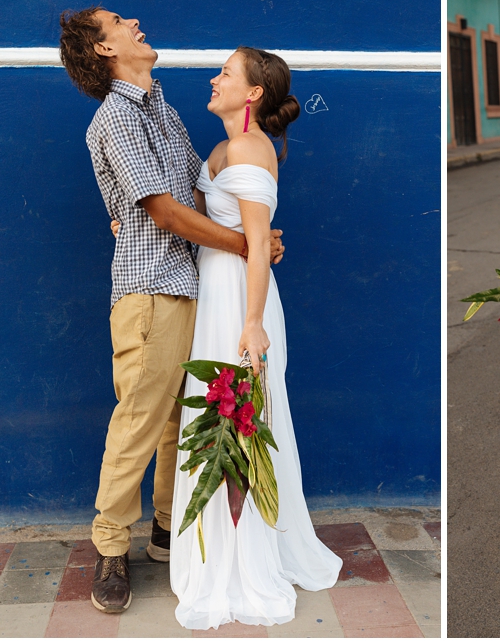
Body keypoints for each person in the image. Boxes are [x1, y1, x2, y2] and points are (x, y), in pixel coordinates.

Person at [58, 8, 286, 614]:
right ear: (105, 50)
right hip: (150, 288)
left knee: (173, 422)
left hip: (193, 286)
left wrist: (257, 232)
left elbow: (200, 194)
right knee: (139, 415)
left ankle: (164, 528)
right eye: (118, 22)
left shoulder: (159, 108)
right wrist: (244, 244)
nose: (134, 21)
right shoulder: (116, 118)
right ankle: (110, 546)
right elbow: (163, 210)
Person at [169, 47, 341, 630]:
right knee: (219, 423)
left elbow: (256, 246)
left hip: (240, 304)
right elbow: (223, 230)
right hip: (216, 291)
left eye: (226, 73)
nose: (214, 78)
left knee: (238, 423)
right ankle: (218, 547)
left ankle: (241, 557)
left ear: (252, 94)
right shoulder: (223, 148)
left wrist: (251, 322)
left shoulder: (246, 148)